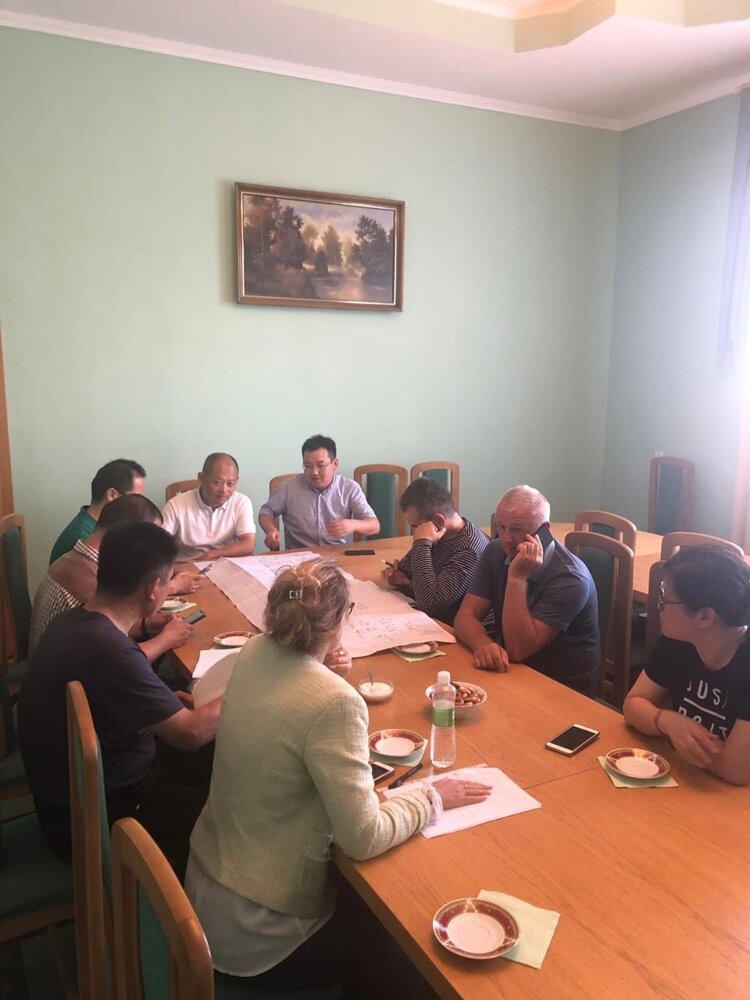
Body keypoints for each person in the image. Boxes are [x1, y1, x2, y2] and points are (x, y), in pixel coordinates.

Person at [186, 559, 489, 995]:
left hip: (205, 899)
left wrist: (324, 672)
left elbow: (290, 707)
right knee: (409, 953)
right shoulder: (336, 703)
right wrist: (432, 797)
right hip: (260, 933)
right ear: (339, 621)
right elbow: (363, 838)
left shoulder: (253, 653)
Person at [19, 522, 222, 876]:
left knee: (215, 760)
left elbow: (117, 690)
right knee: (229, 801)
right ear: (154, 589)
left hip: (77, 797)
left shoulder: (78, 622)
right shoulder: (108, 649)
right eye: (167, 581)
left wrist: (160, 704)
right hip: (103, 820)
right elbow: (191, 733)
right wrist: (247, 681)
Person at [623, 545, 750, 786]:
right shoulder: (678, 640)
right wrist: (666, 721)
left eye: (665, 598)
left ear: (704, 616)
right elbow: (632, 705)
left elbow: (736, 769)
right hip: (694, 777)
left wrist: (664, 729)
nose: (658, 605)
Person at [455, 485, 600, 695]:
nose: (506, 539)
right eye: (501, 527)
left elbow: (518, 650)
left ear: (544, 529)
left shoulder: (571, 578)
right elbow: (465, 615)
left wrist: (517, 577)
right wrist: (482, 644)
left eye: (516, 530)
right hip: (514, 672)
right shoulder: (496, 550)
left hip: (562, 688)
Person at [29, 494, 195, 659]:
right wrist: (165, 640)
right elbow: (115, 656)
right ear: (128, 535)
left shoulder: (76, 559)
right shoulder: (89, 578)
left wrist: (146, 625)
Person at [382, 477, 489, 625]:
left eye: (415, 526)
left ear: (439, 521)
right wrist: (403, 579)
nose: (414, 532)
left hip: (456, 628)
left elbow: (431, 605)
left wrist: (422, 543)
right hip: (434, 620)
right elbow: (406, 568)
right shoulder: (439, 535)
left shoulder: (469, 549)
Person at [258, 435, 379, 550]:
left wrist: (352, 525)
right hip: (299, 555)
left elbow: (374, 525)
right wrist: (271, 530)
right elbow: (266, 512)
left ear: (335, 464)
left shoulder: (349, 488)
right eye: (308, 466)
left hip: (335, 555)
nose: (314, 472)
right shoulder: (287, 488)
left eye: (320, 465)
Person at [162, 452, 256, 562]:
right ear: (201, 478)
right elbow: (158, 544)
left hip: (226, 564)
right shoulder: (176, 505)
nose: (224, 490)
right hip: (187, 565)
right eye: (217, 482)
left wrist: (211, 555)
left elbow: (248, 544)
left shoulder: (241, 502)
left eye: (230, 484)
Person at [49, 458, 146, 562]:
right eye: (136, 498)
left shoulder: (104, 528)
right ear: (112, 495)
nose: (140, 506)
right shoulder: (82, 540)